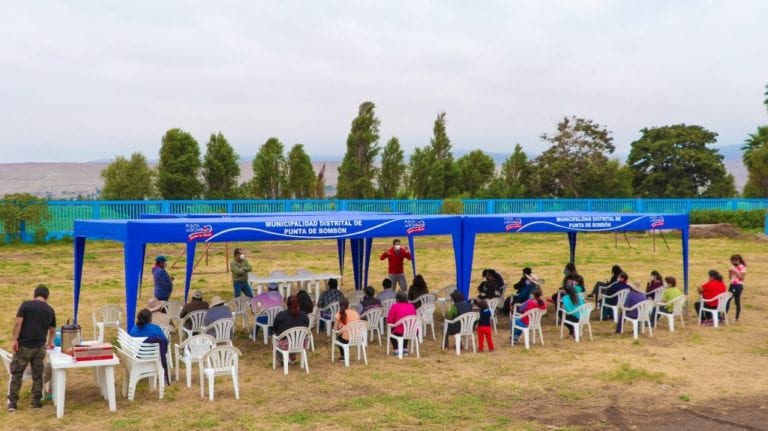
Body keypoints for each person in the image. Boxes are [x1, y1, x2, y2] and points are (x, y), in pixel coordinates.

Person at [8, 284, 56, 412]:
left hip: (24, 346)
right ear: (47, 297)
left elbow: (18, 323)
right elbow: (52, 330)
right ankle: (36, 402)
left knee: (17, 373)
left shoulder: (26, 305)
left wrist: (14, 340)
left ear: (35, 295)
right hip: (40, 347)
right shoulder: (50, 310)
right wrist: (50, 342)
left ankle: (12, 403)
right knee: (38, 374)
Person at [130, 308, 170, 384]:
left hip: (138, 357)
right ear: (150, 318)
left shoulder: (133, 330)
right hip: (153, 357)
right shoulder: (155, 329)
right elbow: (164, 341)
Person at [272, 295, 310, 364]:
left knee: (275, 336)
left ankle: (282, 360)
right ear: (298, 304)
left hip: (285, 345)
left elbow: (275, 328)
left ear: (287, 304)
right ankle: (292, 355)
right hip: (301, 343)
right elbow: (306, 326)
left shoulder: (281, 315)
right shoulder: (304, 315)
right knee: (294, 336)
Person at [386, 291, 417, 356]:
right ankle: (404, 349)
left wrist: (392, 324)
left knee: (393, 331)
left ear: (397, 299)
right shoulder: (411, 306)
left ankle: (396, 350)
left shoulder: (395, 306)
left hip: (399, 332)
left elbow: (389, 321)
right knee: (406, 328)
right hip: (413, 331)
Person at [727, 254, 746, 322]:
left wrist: (736, 273)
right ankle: (724, 315)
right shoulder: (732, 267)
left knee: (737, 302)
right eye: (731, 262)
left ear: (737, 260)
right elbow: (730, 278)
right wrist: (729, 273)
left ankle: (736, 317)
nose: (732, 263)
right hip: (732, 284)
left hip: (738, 286)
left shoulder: (742, 267)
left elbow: (742, 278)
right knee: (727, 300)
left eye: (733, 261)